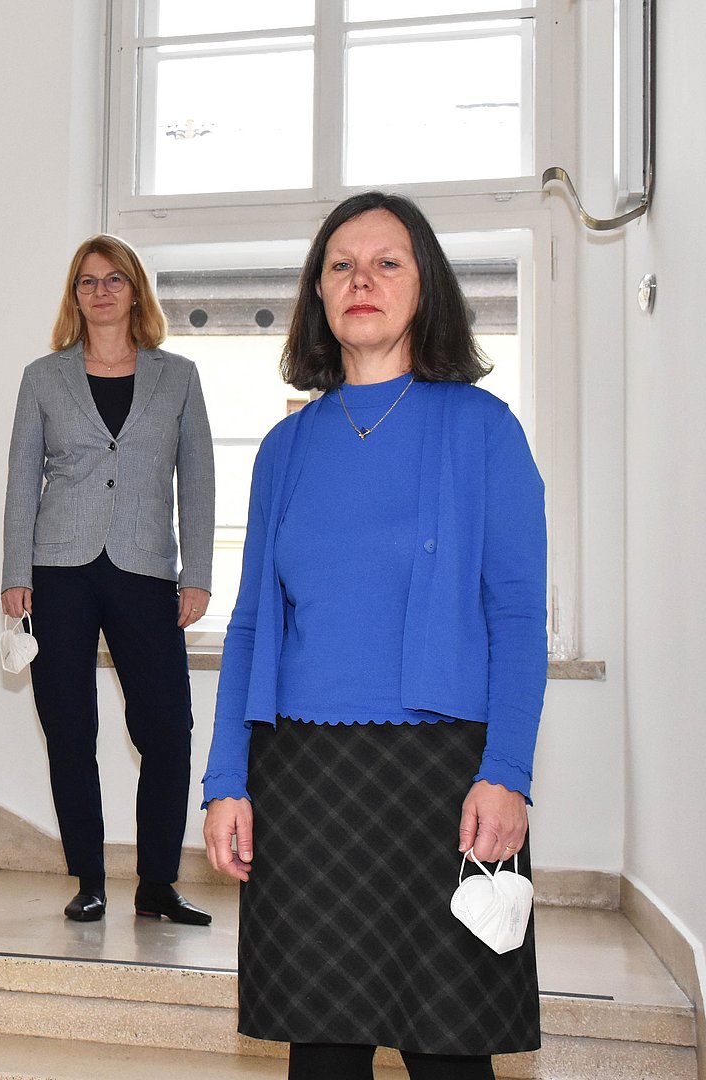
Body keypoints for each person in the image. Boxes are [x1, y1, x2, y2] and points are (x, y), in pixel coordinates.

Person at [202, 192, 546, 1080]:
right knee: (321, 1051)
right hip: (304, 778)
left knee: (449, 1053)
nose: (363, 280)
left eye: (387, 262)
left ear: (425, 285)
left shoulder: (483, 429)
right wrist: (226, 780)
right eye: (342, 265)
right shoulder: (285, 448)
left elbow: (517, 615)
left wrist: (507, 773)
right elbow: (251, 624)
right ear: (318, 292)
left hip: (444, 779)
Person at [2, 234, 215, 925]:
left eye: (114, 279)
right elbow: (21, 480)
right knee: (69, 727)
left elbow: (199, 480)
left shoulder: (178, 376)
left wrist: (197, 574)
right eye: (87, 281)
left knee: (168, 728)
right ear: (75, 295)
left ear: (135, 290)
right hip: (58, 569)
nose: (100, 291)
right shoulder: (43, 377)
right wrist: (14, 571)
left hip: (146, 568)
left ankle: (157, 884)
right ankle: (89, 879)